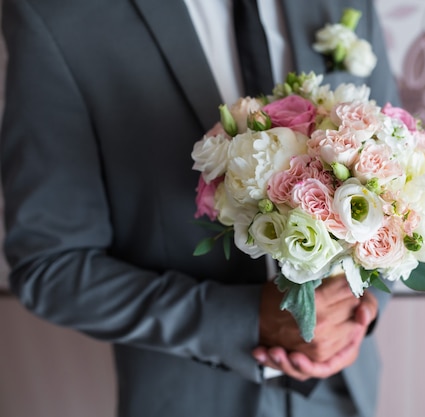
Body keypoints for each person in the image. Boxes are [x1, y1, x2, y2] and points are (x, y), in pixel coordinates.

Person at [1, 0, 399, 415]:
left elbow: (397, 173)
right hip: (195, 397)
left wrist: (357, 312)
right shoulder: (55, 15)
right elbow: (50, 266)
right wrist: (245, 320)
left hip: (344, 390)